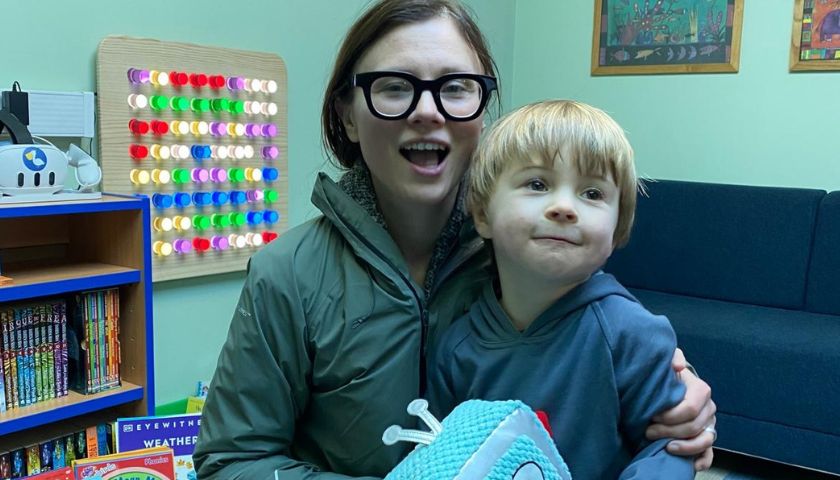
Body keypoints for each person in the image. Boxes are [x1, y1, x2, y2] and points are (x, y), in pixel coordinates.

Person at [193, 1, 716, 479]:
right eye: (395, 86)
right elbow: (231, 462)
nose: (428, 110)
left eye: (456, 87)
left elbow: (602, 330)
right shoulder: (287, 274)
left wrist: (678, 383)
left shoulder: (523, 247)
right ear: (347, 116)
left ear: (482, 112)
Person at [426, 100, 696, 479]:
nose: (565, 207)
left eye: (592, 194)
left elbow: (670, 445)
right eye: (537, 184)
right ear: (483, 215)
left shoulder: (630, 332)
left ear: (618, 229)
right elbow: (441, 454)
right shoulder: (455, 345)